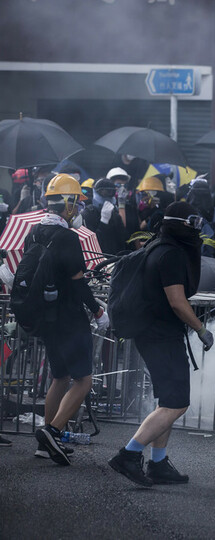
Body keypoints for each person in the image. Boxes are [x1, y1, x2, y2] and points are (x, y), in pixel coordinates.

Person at [108, 202, 214, 487]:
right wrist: (201, 329)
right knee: (177, 403)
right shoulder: (170, 254)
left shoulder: (160, 245)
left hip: (155, 333)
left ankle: (158, 463)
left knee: (168, 401)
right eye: (193, 220)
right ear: (180, 223)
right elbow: (177, 302)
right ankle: (129, 455)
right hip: (160, 335)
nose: (197, 227)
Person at [33, 174, 109, 465]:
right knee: (83, 380)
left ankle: (45, 444)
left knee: (60, 377)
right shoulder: (67, 237)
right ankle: (52, 431)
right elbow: (77, 283)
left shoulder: (35, 233)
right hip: (69, 319)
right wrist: (98, 310)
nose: (77, 210)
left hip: (47, 319)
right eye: (75, 204)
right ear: (67, 204)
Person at [81, 178, 128, 255]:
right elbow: (91, 244)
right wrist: (103, 222)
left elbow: (123, 239)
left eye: (111, 192)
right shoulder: (88, 213)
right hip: (98, 259)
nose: (107, 195)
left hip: (114, 258)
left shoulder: (115, 214)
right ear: (96, 192)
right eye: (104, 192)